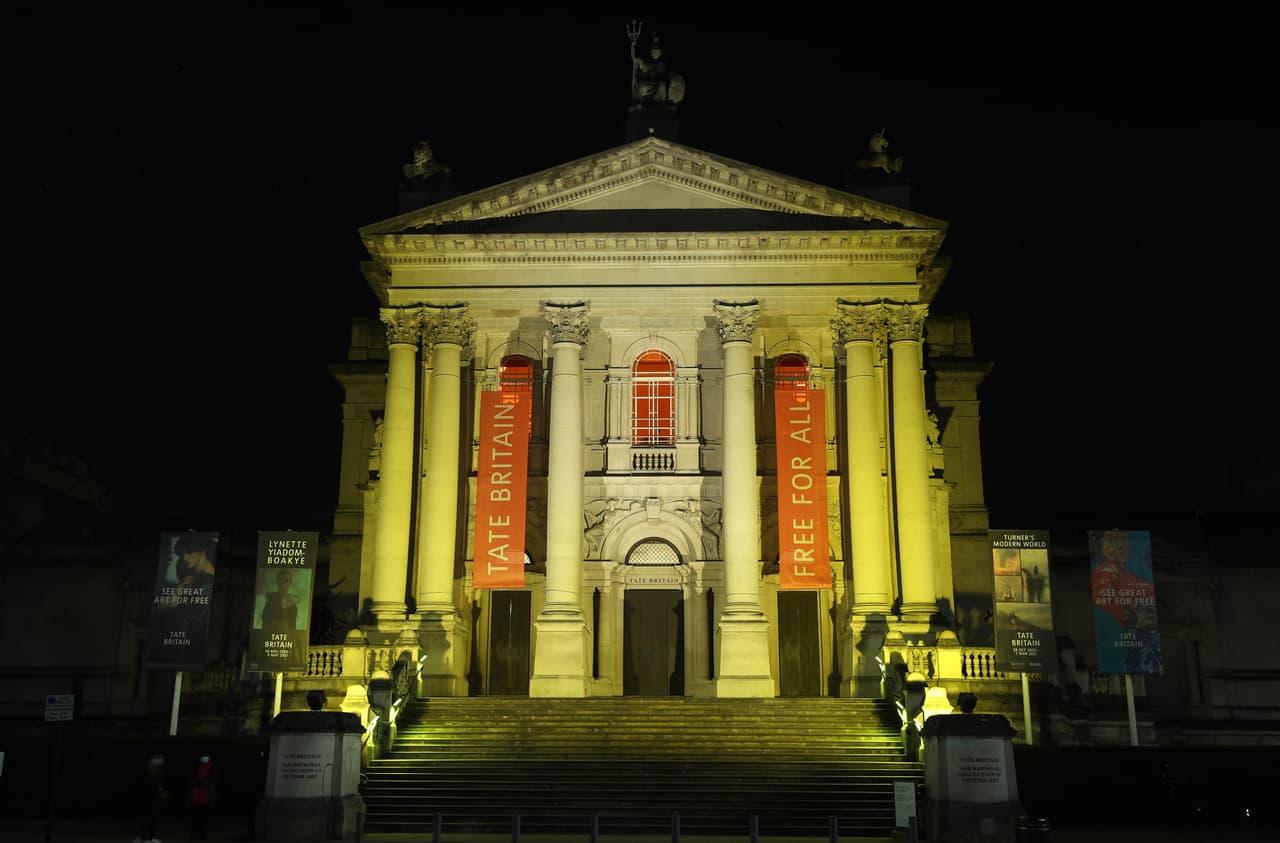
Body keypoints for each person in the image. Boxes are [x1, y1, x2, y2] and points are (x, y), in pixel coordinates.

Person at [134, 753, 168, 843]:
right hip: (145, 799)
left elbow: (159, 784)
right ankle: (140, 838)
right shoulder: (145, 773)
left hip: (154, 800)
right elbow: (143, 786)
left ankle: (151, 838)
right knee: (144, 819)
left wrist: (161, 791)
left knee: (153, 819)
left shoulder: (159, 773)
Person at [261, 569, 300, 635]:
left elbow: (292, 628)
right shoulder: (268, 601)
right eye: (281, 579)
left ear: (290, 583)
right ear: (277, 582)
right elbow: (264, 624)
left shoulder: (293, 607)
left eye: (286, 580)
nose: (283, 583)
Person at [187, 754, 217, 840]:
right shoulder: (197, 769)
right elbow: (192, 781)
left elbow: (211, 782)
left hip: (204, 796)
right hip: (197, 795)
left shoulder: (211, 769)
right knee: (197, 816)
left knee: (201, 816)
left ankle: (200, 835)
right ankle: (197, 834)